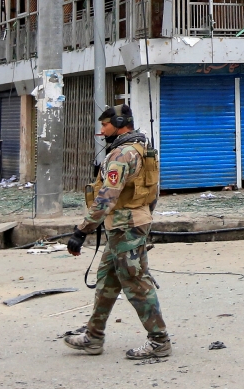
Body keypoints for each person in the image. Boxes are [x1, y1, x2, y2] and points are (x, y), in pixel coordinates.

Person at [64, 105, 171, 359]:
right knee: (106, 282)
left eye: (105, 126)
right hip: (127, 225)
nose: (101, 132)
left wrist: (82, 231)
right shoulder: (143, 149)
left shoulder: (122, 155)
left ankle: (159, 341)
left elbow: (106, 197)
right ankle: (93, 337)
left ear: (120, 123)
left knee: (136, 284)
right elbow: (153, 192)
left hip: (126, 227)